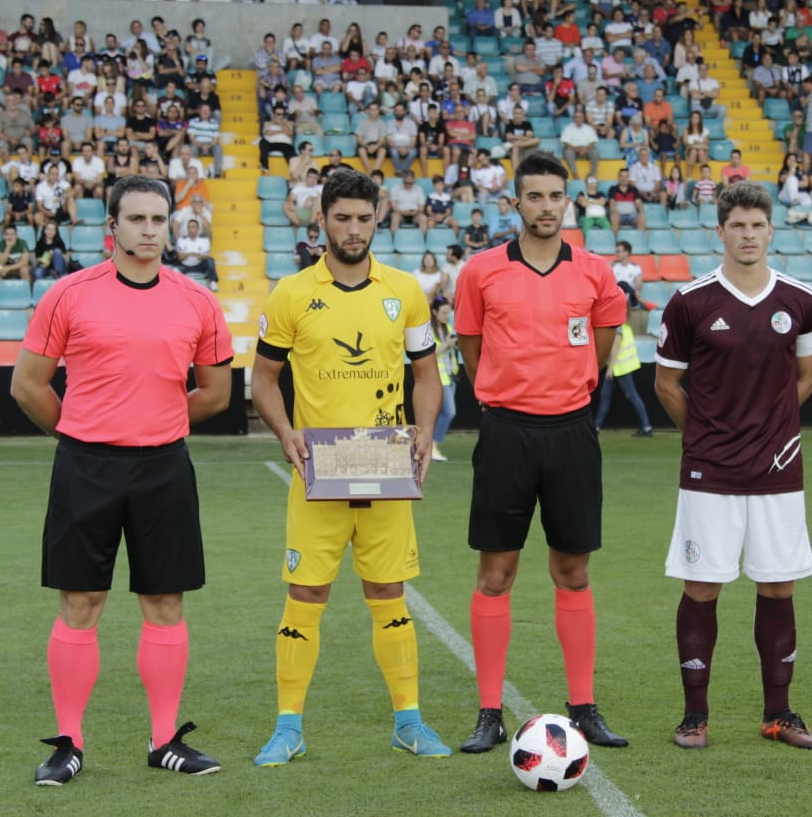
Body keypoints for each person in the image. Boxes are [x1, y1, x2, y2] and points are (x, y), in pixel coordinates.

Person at [10, 175, 233, 786]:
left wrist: (150, 423)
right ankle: (69, 745)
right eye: (136, 219)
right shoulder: (68, 295)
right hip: (87, 465)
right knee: (81, 602)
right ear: (112, 227)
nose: (149, 230)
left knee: (164, 600)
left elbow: (215, 393)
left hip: (164, 467)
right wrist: (81, 432)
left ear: (170, 226)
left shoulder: (197, 300)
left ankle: (165, 741)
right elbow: (28, 384)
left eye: (159, 220)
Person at [250, 168, 450, 766]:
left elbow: (426, 375)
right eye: (342, 218)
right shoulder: (291, 294)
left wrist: (423, 433)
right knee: (305, 591)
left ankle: (408, 722)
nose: (354, 229)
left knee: (389, 589)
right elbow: (262, 378)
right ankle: (289, 726)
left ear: (378, 218)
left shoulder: (404, 292)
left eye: (364, 218)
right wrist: (285, 432)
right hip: (319, 472)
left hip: (386, 468)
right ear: (323, 221)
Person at [452, 151, 629, 753]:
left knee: (572, 570)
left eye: (556, 196)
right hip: (506, 434)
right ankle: (488, 711)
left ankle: (583, 706)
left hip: (572, 433)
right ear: (516, 203)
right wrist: (506, 391)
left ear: (567, 202)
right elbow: (471, 348)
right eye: (535, 197)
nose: (546, 206)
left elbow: (601, 348)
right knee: (496, 573)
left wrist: (566, 387)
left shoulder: (595, 273)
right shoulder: (481, 272)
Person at [653, 181, 812, 752]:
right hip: (710, 470)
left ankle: (779, 714)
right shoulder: (690, 302)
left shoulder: (801, 299)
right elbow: (667, 384)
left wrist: (768, 431)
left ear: (771, 230)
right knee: (702, 586)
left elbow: (805, 376)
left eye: (757, 225)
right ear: (719, 231)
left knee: (778, 586)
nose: (748, 235)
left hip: (778, 468)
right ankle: (693, 716)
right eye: (737, 225)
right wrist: (708, 434)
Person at [594, 321, 653, 436]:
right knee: (606, 396)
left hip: (619, 368)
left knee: (631, 396)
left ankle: (647, 427)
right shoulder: (624, 326)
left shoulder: (618, 327)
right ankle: (596, 427)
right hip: (618, 367)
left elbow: (616, 347)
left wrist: (610, 369)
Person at [430, 297, 461, 462]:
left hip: (450, 375)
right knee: (449, 412)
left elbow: (452, 348)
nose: (446, 315)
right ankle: (432, 445)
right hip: (438, 377)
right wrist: (448, 344)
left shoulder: (447, 327)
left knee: (443, 412)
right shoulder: (428, 329)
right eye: (443, 312)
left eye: (448, 313)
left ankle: (431, 446)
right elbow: (431, 354)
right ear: (434, 312)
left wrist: (456, 344)